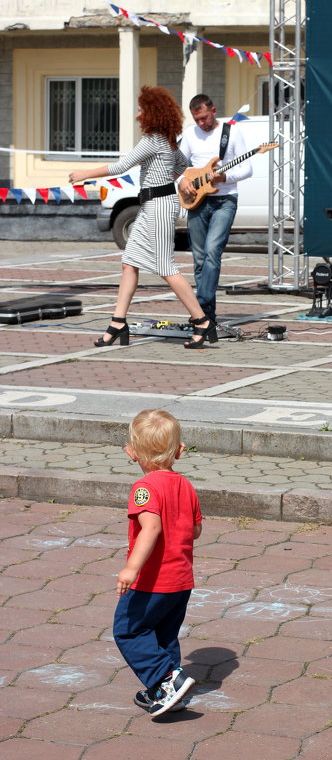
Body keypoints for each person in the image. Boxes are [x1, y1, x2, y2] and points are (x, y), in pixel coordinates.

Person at [69, 86, 216, 351]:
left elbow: (120, 167)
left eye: (140, 108)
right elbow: (183, 166)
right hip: (150, 205)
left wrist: (84, 173)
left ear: (151, 112)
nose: (137, 113)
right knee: (129, 262)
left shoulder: (154, 140)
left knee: (165, 267)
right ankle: (117, 323)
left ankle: (202, 320)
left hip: (159, 206)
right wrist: (176, 181)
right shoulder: (167, 140)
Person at [113, 408, 202, 718]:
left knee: (129, 631)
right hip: (181, 580)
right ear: (178, 451)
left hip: (153, 581)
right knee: (164, 636)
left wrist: (131, 568)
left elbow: (151, 529)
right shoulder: (185, 486)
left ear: (132, 453)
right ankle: (165, 692)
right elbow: (196, 530)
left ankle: (166, 680)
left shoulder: (144, 488)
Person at [178, 94, 253, 323]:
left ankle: (200, 305)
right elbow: (179, 165)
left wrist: (224, 177)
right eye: (197, 119)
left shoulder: (231, 132)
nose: (201, 123)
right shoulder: (190, 133)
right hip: (197, 201)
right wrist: (182, 181)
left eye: (204, 118)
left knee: (212, 252)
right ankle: (206, 316)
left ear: (213, 109)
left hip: (224, 200)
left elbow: (247, 168)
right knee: (199, 259)